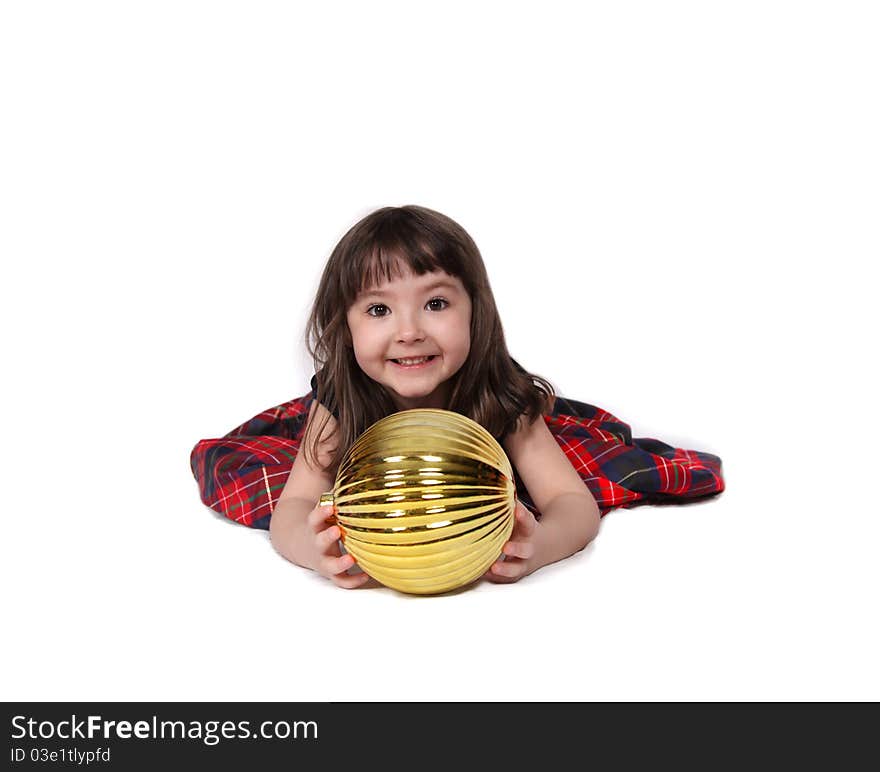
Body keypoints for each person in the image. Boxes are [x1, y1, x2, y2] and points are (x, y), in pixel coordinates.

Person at [190, 205, 725, 589]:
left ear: (476, 311)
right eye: (378, 310)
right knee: (256, 480)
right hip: (372, 473)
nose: (409, 331)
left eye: (436, 303)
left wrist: (539, 548)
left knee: (595, 465)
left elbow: (571, 503)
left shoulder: (497, 393)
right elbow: (294, 508)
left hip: (477, 466)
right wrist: (316, 552)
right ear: (345, 327)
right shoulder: (341, 400)